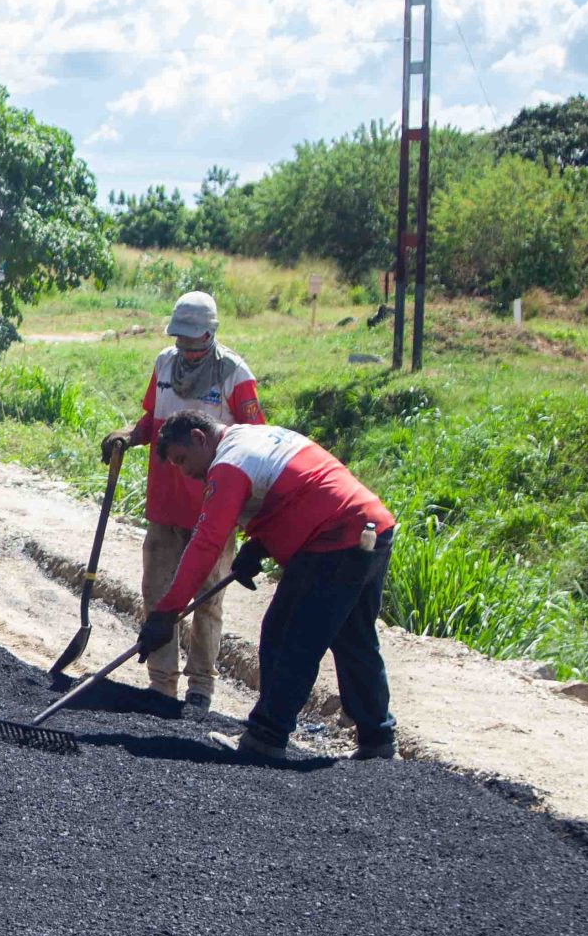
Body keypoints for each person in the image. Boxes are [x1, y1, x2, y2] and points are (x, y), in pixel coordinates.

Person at [139, 415, 398, 762]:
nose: (185, 473)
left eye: (182, 460)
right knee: (354, 638)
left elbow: (207, 542)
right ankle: (378, 739)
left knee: (287, 633)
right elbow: (295, 490)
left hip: (335, 538)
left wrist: (166, 611)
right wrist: (258, 545)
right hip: (372, 527)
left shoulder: (229, 463)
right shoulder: (253, 438)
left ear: (200, 438)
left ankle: (267, 736)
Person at [99, 290, 263, 710]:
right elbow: (153, 420)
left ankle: (200, 687)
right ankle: (161, 684)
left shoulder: (234, 373)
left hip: (214, 508)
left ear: (211, 333)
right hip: (165, 505)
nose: (187, 350)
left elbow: (255, 439)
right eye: (182, 340)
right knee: (157, 591)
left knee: (206, 598)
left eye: (195, 341)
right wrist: (129, 437)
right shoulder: (164, 364)